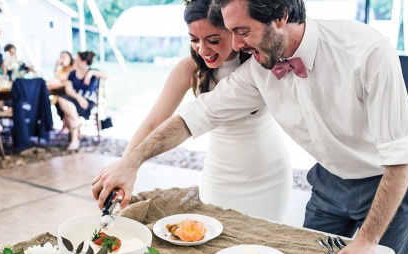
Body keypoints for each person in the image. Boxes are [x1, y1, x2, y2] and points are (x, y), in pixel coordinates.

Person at [92, 0, 408, 254]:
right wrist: (130, 161)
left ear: (280, 16)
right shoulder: (257, 69)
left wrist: (367, 241)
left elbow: (402, 154)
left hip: (387, 182)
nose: (235, 45)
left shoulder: (366, 51)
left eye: (241, 31)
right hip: (327, 181)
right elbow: (193, 118)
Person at [122, 0, 292, 221]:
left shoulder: (261, 62)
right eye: (194, 40)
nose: (202, 50)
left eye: (213, 40)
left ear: (234, 32)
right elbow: (154, 123)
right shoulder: (188, 69)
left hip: (268, 175)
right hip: (218, 174)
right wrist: (125, 165)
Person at [57, 51, 107, 150]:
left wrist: (91, 72)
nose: (75, 60)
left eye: (77, 58)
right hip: (76, 99)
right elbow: (69, 89)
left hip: (87, 103)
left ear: (83, 61)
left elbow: (106, 76)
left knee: (68, 108)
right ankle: (76, 126)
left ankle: (74, 139)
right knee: (63, 100)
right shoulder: (72, 73)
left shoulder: (94, 72)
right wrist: (79, 98)